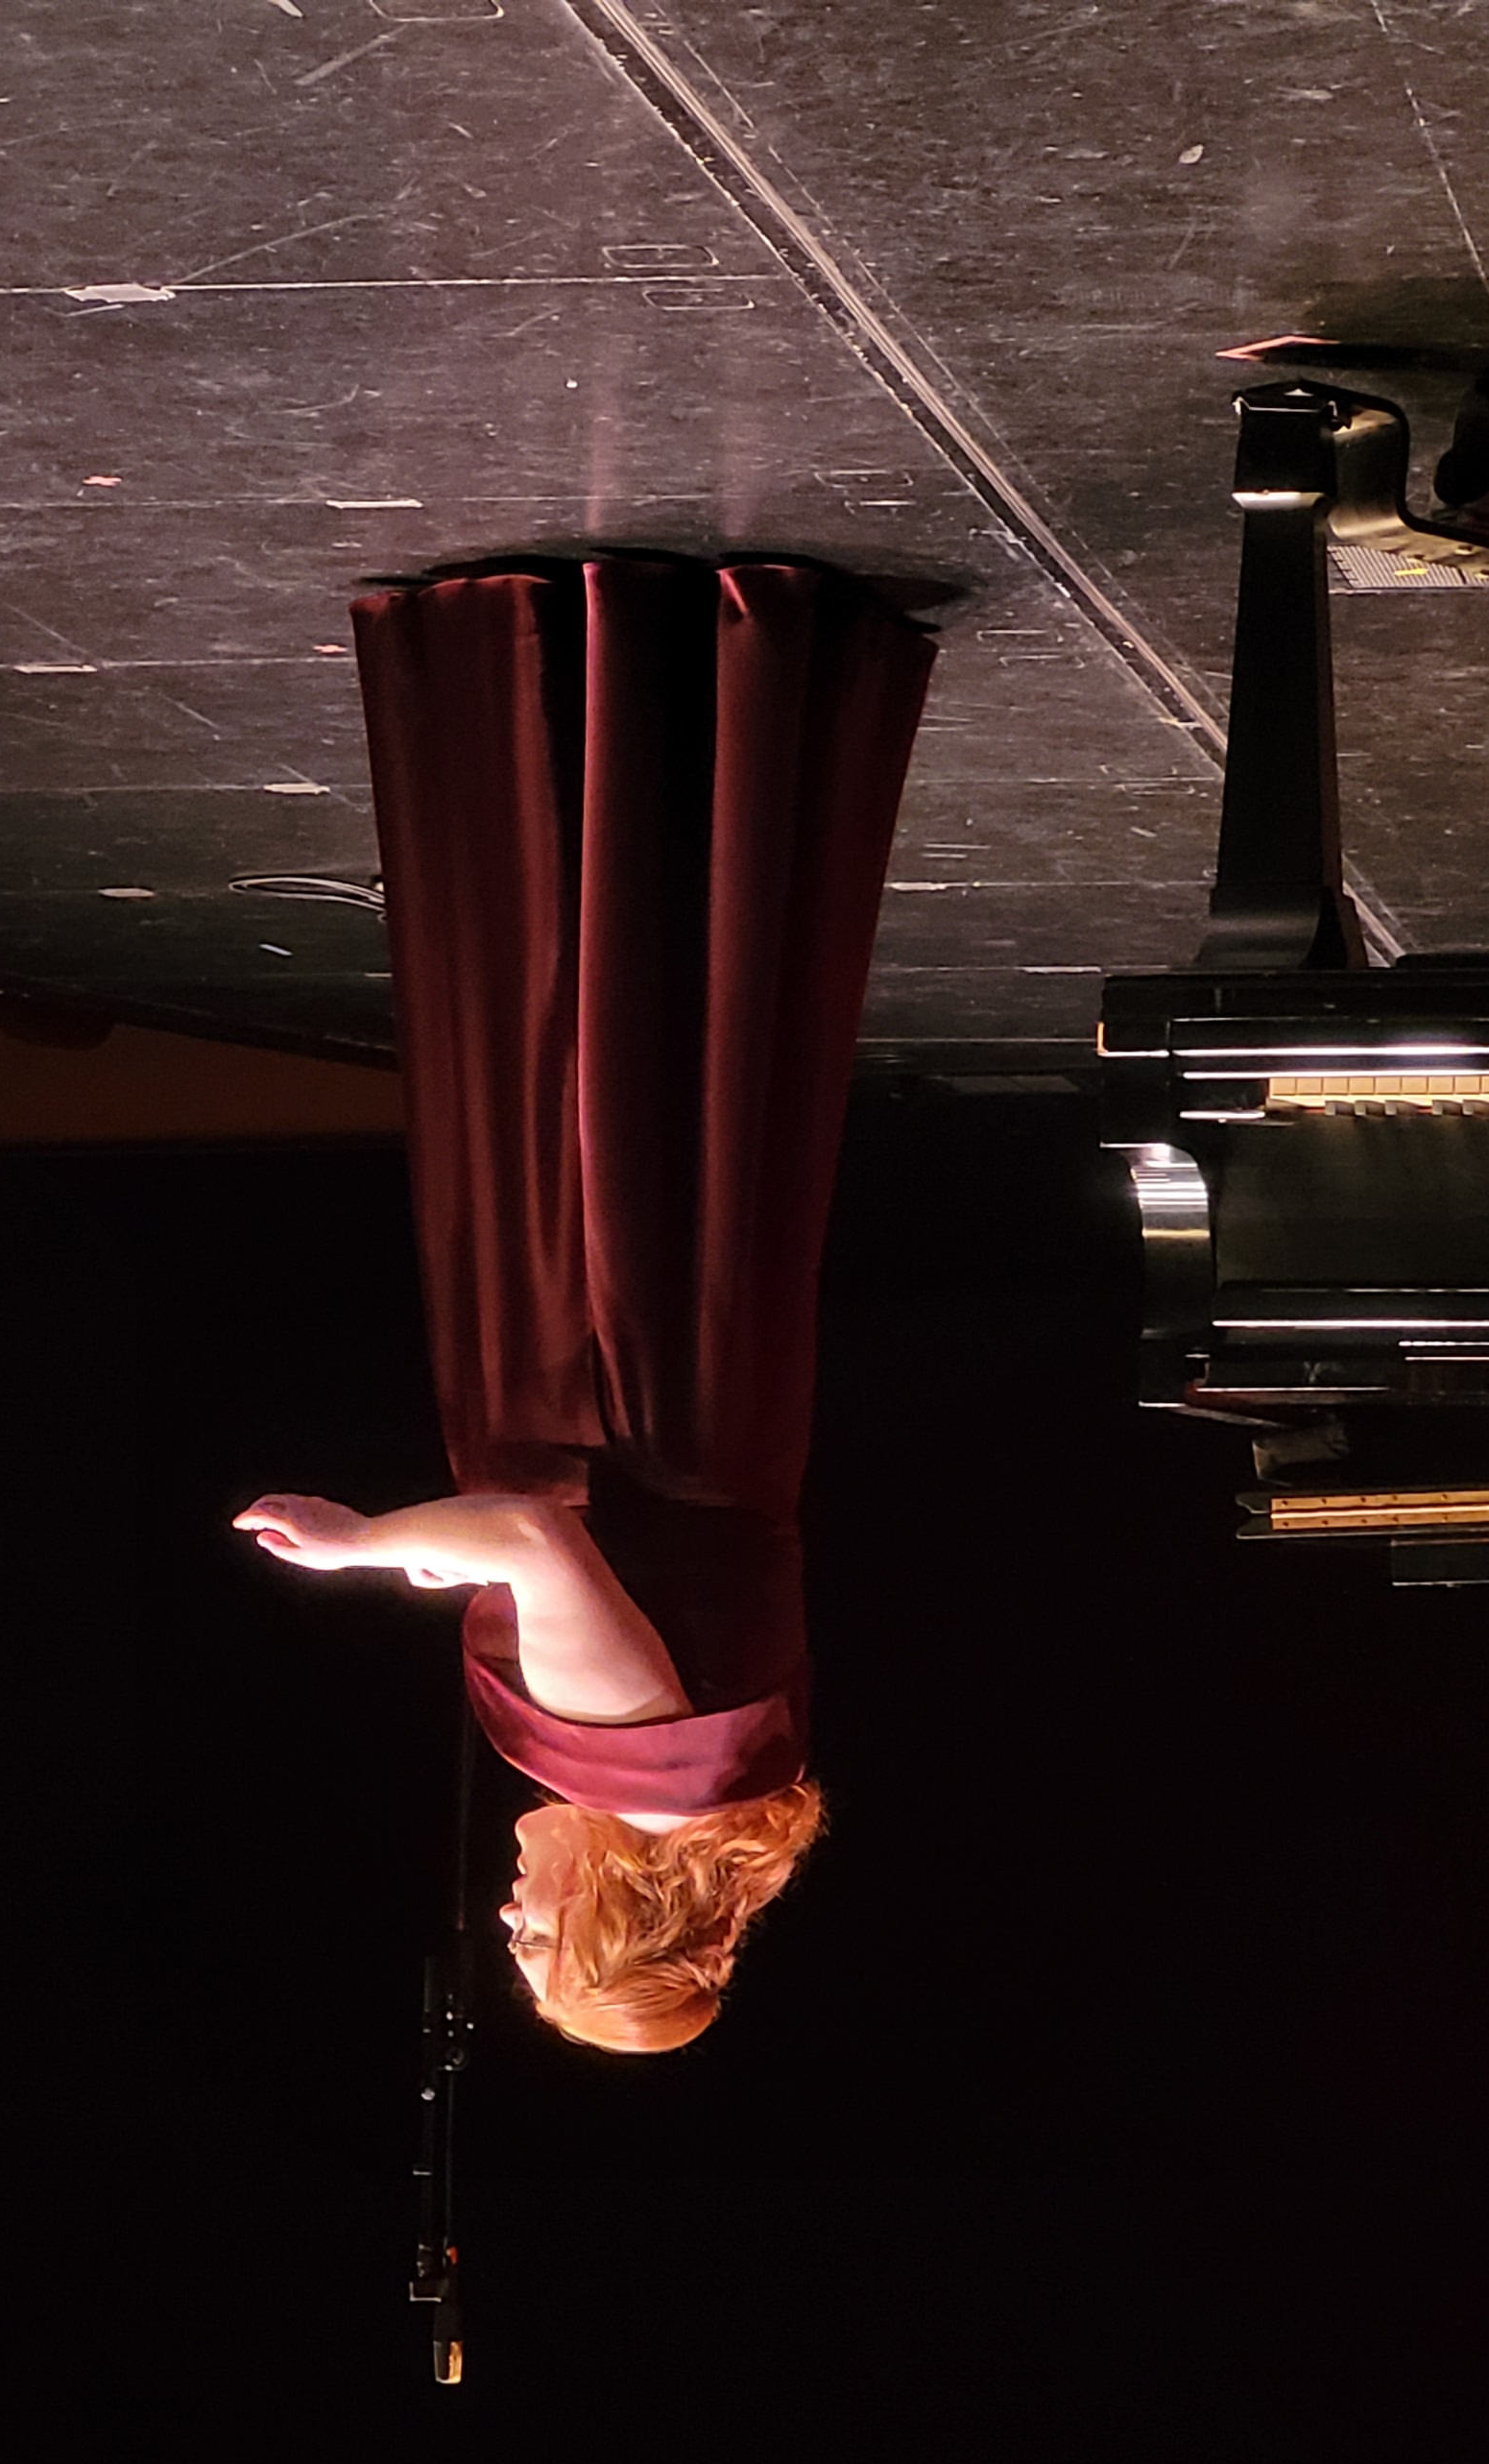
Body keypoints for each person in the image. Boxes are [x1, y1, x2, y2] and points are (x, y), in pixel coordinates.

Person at [237, 555, 934, 2048]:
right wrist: (364, 1551)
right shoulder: (634, 1772)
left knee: (680, 1062)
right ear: (616, 1908)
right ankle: (556, 662)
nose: (508, 1919)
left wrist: (440, 1573)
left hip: (696, 1373)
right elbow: (534, 1536)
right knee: (566, 1056)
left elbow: (613, 1568)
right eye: (542, 1941)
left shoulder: (719, 1777)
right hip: (599, 1361)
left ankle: (718, 689)